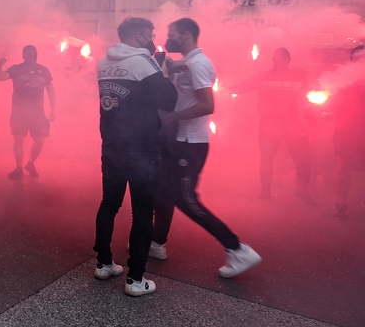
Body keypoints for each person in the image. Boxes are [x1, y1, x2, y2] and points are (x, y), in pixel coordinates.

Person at [152, 18, 262, 278]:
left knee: (186, 199)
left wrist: (170, 118)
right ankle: (156, 244)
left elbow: (207, 105)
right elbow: (184, 75)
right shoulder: (190, 62)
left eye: (173, 34)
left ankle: (237, 248)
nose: (169, 39)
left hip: (190, 144)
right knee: (163, 193)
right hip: (178, 141)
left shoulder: (200, 63)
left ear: (187, 35)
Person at [94, 18, 178, 296]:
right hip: (141, 148)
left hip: (112, 146)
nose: (153, 39)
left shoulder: (104, 62)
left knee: (109, 205)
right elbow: (167, 100)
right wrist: (164, 69)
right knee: (143, 212)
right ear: (141, 36)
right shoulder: (144, 62)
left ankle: (104, 264)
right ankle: (136, 279)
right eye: (151, 35)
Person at [228, 47, 316, 202]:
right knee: (268, 157)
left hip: (291, 124)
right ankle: (266, 188)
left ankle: (301, 188)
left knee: (303, 158)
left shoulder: (298, 77)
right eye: (278, 59)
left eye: (283, 59)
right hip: (270, 124)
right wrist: (219, 90)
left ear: (288, 60)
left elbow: (307, 99)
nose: (281, 62)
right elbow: (240, 88)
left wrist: (312, 121)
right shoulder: (264, 76)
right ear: (274, 61)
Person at [0, 45, 56, 179]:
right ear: (24, 55)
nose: (32, 56)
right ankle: (19, 168)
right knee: (19, 139)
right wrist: (0, 65)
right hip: (19, 111)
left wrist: (53, 110)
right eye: (29, 53)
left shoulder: (43, 70)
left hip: (38, 111)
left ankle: (30, 163)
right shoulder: (16, 69)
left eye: (34, 53)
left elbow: (51, 91)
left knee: (40, 140)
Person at [331, 45, 365, 220]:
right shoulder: (344, 78)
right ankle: (341, 204)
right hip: (347, 128)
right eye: (358, 58)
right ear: (352, 60)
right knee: (343, 164)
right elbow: (332, 99)